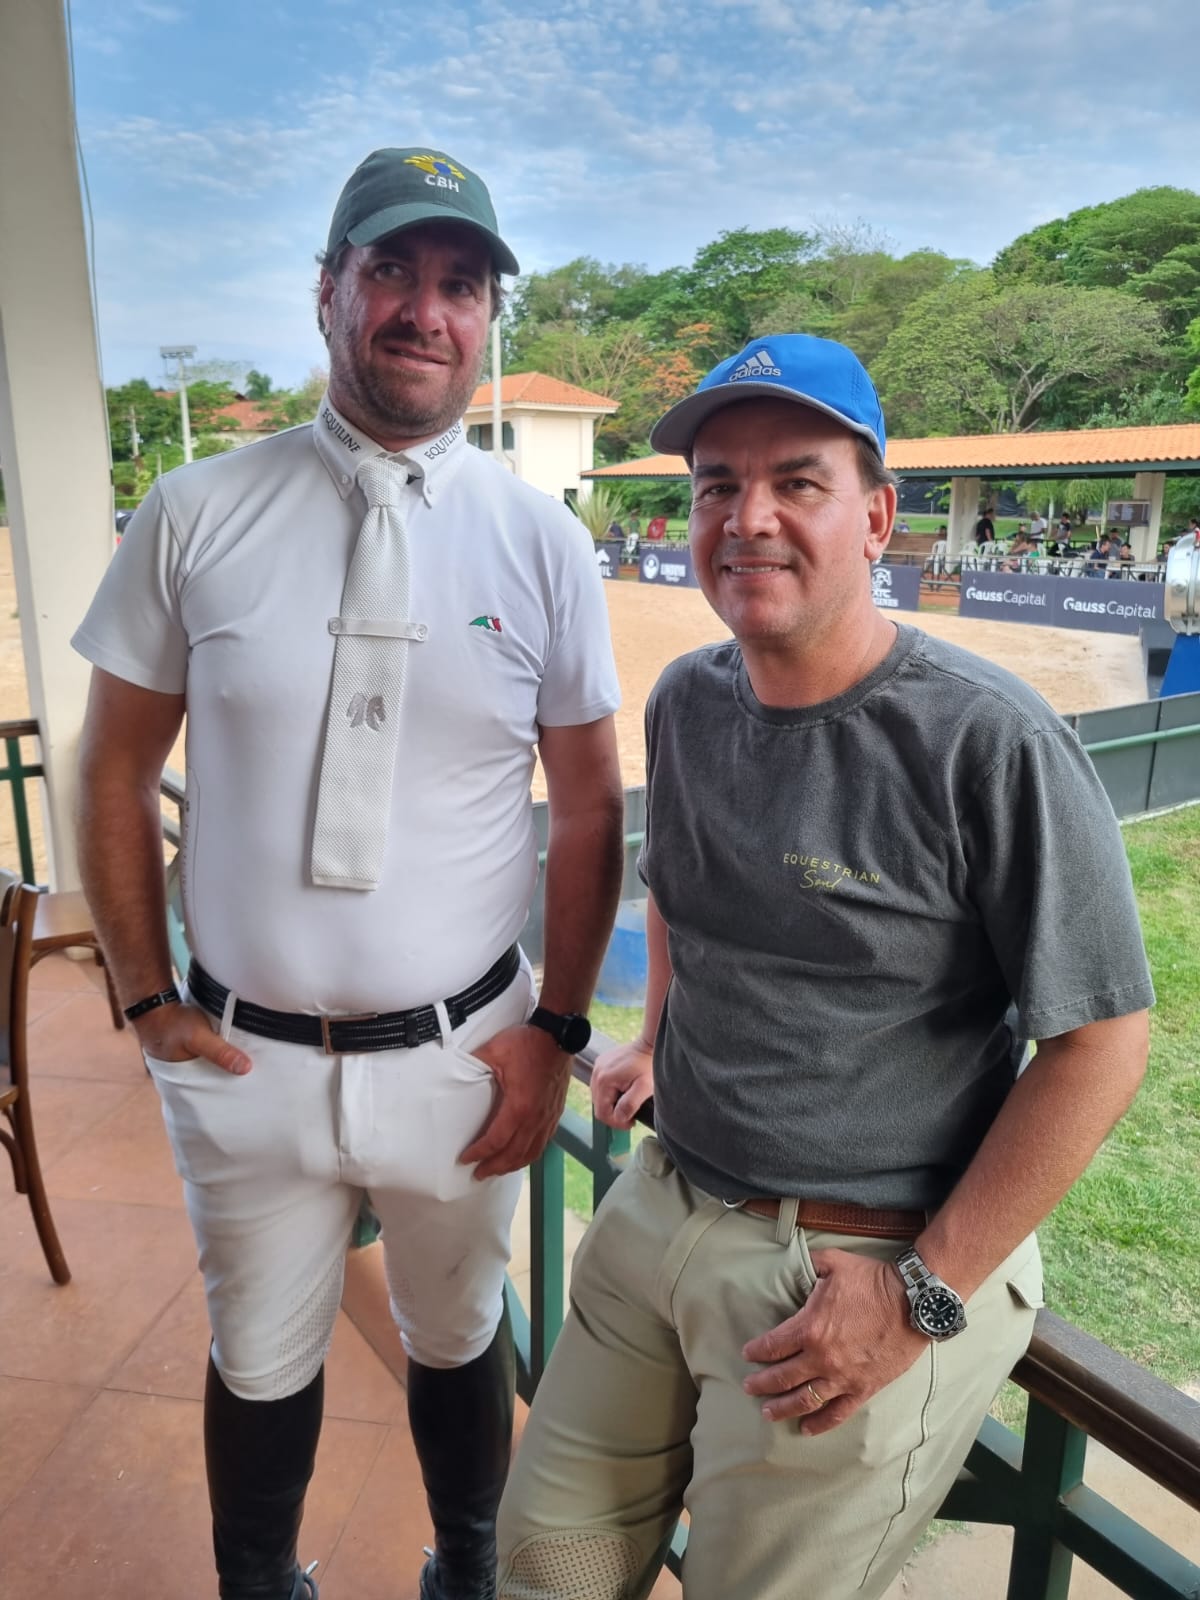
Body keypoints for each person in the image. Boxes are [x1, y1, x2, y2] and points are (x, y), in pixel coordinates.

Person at [494, 333, 1152, 1600]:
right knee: (544, 1573)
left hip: (844, 1279)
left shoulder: (986, 741)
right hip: (660, 1213)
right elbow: (684, 889)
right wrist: (653, 1037)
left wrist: (925, 1294)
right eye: (714, 486)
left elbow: (1102, 1041)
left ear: (877, 517)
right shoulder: (688, 701)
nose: (747, 518)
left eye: (796, 481)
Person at [72, 146, 625, 1600]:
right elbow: (115, 770)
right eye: (392, 272)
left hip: (463, 1061)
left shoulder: (544, 541)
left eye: (460, 285)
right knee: (256, 1350)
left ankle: (468, 1567)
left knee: (459, 1331)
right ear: (329, 292)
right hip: (245, 1064)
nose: (425, 311)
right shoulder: (194, 511)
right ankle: (260, 1586)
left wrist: (558, 1033)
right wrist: (143, 1000)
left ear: (488, 318)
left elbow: (584, 807)